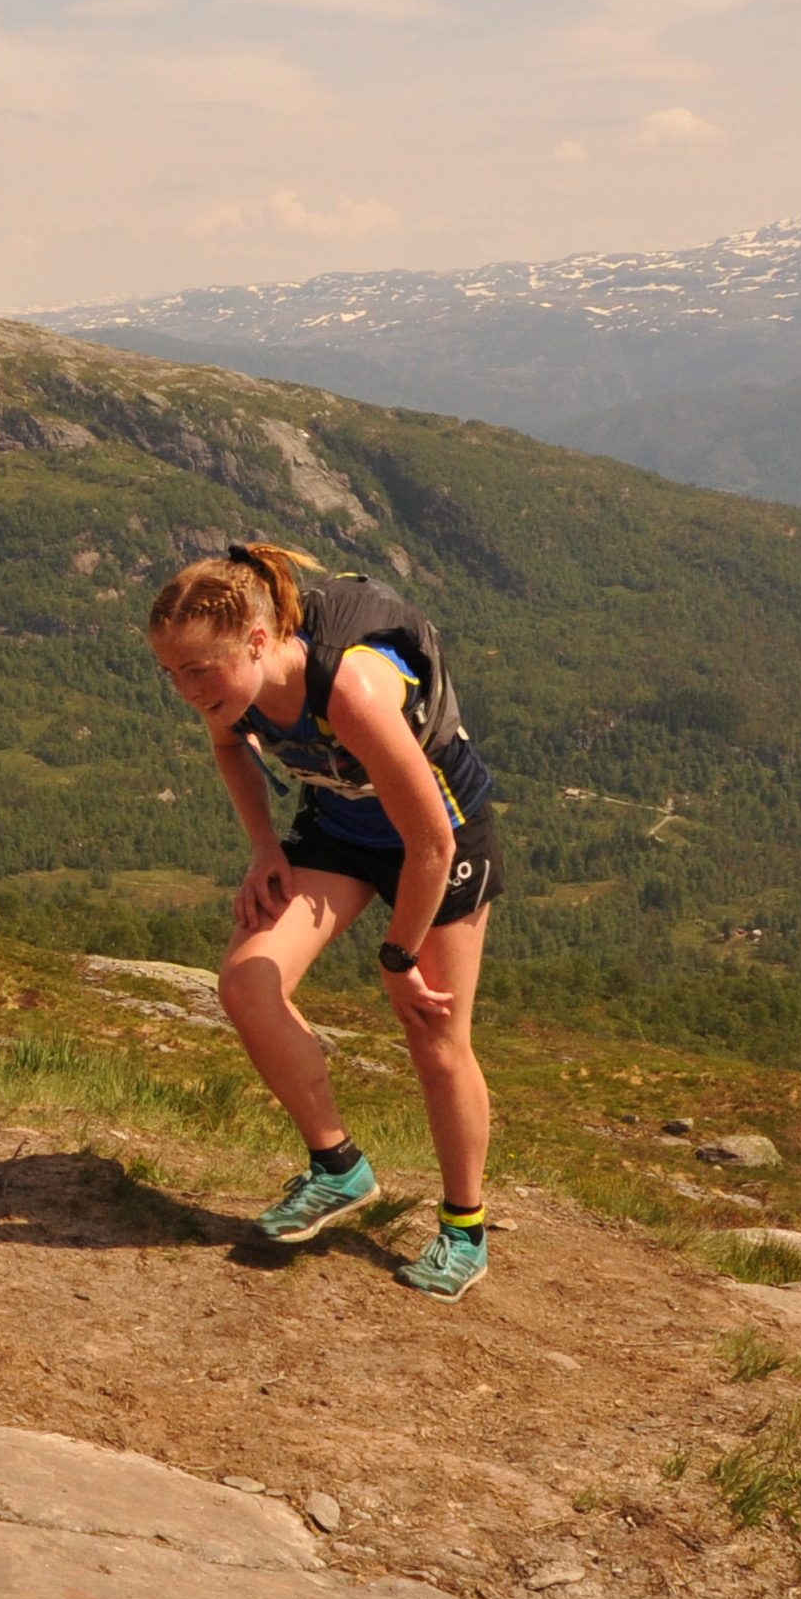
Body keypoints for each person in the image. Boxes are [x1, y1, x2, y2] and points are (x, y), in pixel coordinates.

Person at [145, 542, 502, 1302]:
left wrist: (399, 957)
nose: (186, 691)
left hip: (441, 838)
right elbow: (230, 747)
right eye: (170, 672)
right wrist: (264, 849)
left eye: (199, 670)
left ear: (260, 641)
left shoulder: (352, 690)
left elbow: (431, 845)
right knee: (247, 984)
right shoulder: (234, 692)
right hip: (341, 824)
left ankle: (464, 1229)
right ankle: (339, 1167)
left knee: (436, 1035)